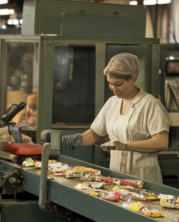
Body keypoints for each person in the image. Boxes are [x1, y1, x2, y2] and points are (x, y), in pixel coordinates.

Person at [61, 53, 169, 184]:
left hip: (144, 180)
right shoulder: (112, 103)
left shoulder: (151, 104)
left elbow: (160, 142)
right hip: (117, 179)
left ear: (133, 77)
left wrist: (125, 146)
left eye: (118, 84)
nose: (113, 88)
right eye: (110, 84)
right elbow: (94, 135)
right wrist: (78, 139)